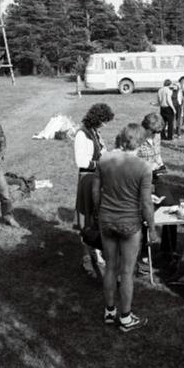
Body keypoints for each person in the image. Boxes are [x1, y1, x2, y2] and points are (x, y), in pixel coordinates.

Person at [91, 124, 158, 332]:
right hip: (130, 223)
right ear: (140, 142)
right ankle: (126, 318)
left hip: (107, 220)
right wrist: (153, 229)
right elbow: (146, 203)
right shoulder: (144, 167)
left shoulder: (104, 159)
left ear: (121, 139)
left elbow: (95, 191)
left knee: (110, 267)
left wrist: (97, 213)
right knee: (127, 272)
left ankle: (109, 312)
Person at [74, 103, 114, 277]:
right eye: (103, 121)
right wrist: (102, 163)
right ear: (96, 119)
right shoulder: (81, 135)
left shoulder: (95, 132)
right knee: (87, 218)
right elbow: (81, 162)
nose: (104, 125)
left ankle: (98, 253)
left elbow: (102, 152)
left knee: (97, 217)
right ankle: (86, 258)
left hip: (98, 178)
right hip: (87, 179)